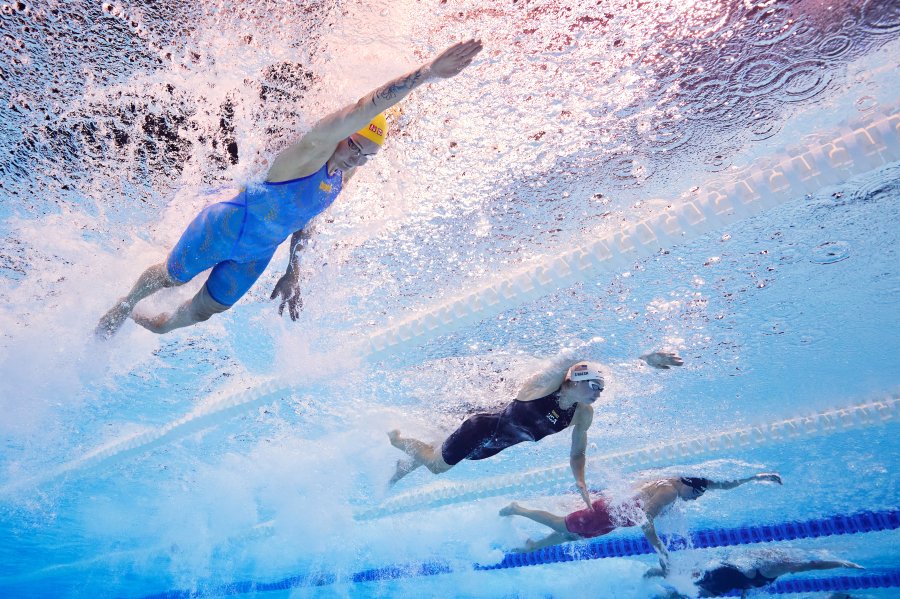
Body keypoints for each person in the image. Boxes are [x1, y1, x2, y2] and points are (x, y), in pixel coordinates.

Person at [95, 39, 484, 338]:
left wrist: (293, 272)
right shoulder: (308, 153)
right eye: (355, 147)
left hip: (256, 253)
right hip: (224, 229)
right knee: (171, 277)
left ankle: (159, 325)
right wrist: (426, 74)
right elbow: (365, 106)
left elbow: (306, 218)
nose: (357, 159)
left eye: (367, 156)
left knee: (205, 310)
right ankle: (124, 303)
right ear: (343, 136)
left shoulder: (340, 176)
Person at [387, 351, 684, 509]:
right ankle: (397, 439)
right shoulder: (543, 386)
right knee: (438, 466)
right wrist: (642, 358)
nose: (598, 392)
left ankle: (403, 464)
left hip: (490, 448)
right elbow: (579, 352)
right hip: (479, 430)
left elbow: (578, 451)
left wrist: (580, 481)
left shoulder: (583, 414)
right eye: (594, 385)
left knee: (437, 453)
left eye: (602, 389)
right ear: (574, 380)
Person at [499, 472, 783, 573]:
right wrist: (661, 552)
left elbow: (724, 484)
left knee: (573, 537)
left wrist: (755, 478)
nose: (697, 499)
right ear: (689, 486)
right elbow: (646, 523)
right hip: (604, 514)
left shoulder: (685, 484)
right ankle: (519, 509)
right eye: (697, 495)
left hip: (612, 520)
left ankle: (532, 546)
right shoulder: (669, 491)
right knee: (563, 526)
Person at [653, 551, 863, 598]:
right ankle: (657, 574)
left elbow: (810, 564)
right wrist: (841, 563)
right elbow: (812, 565)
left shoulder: (767, 566)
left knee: (682, 587)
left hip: (721, 579)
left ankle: (657, 577)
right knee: (684, 587)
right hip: (718, 576)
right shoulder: (772, 567)